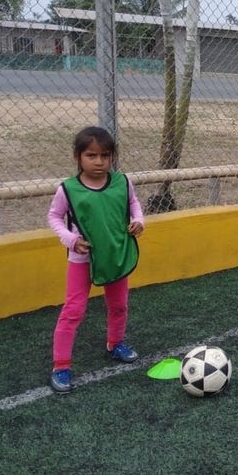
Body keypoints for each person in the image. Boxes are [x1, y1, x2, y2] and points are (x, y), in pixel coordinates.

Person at [47, 126, 144, 394]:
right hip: (81, 259)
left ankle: (115, 344)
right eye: (91, 155)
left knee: (119, 305)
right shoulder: (68, 189)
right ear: (78, 157)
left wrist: (139, 220)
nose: (99, 161)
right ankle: (61, 366)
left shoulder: (122, 182)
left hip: (115, 254)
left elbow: (134, 204)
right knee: (73, 310)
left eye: (105, 155)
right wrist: (70, 239)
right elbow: (54, 217)